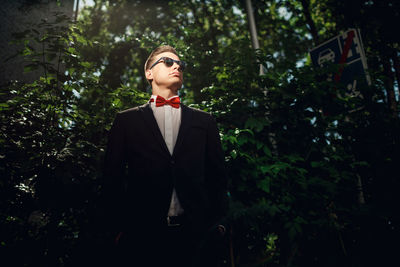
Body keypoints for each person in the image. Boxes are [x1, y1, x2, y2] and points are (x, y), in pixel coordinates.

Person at [102, 45, 228, 267]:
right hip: (142, 237)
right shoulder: (126, 121)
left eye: (180, 64)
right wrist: (117, 230)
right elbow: (112, 179)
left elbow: (217, 178)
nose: (177, 66)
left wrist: (216, 226)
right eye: (168, 62)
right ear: (149, 73)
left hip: (196, 237)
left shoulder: (205, 121)